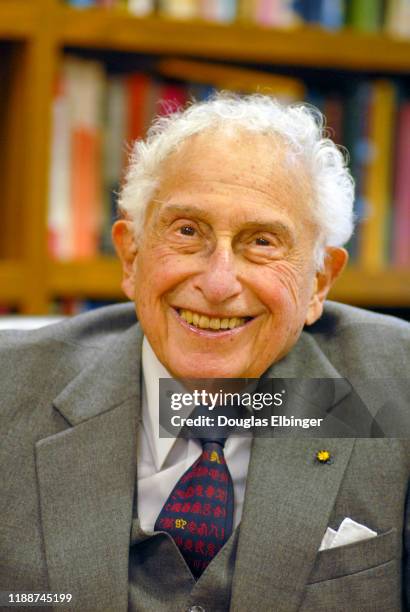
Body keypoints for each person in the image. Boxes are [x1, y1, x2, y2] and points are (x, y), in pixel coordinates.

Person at [0, 93, 409, 612]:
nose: (218, 285)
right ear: (131, 256)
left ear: (319, 283)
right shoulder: (7, 390)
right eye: (187, 231)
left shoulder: (395, 389)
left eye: (262, 241)